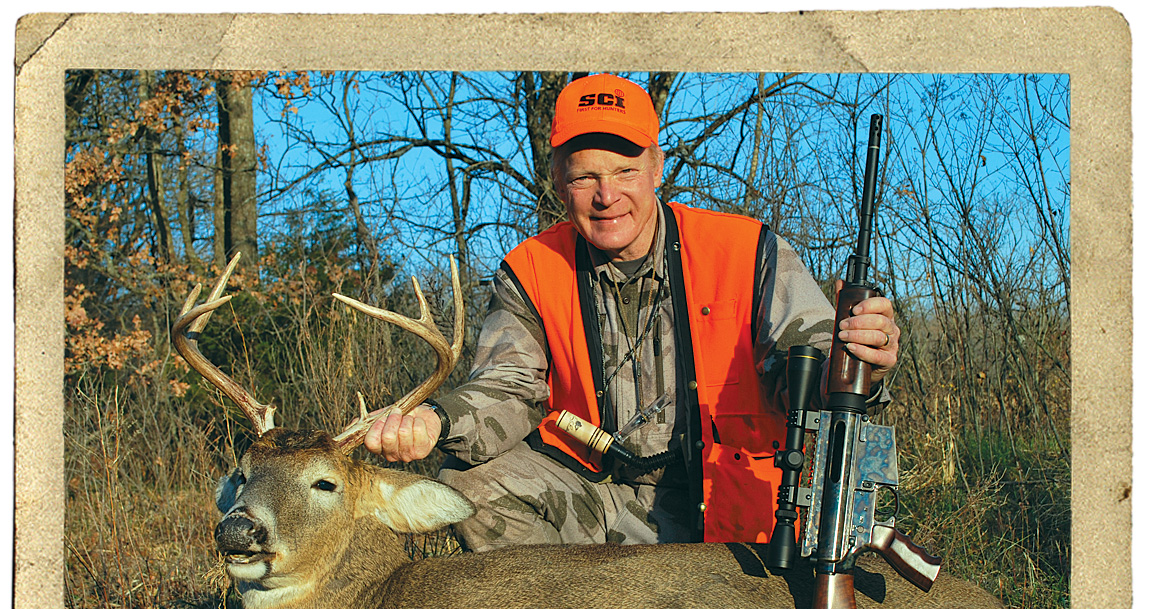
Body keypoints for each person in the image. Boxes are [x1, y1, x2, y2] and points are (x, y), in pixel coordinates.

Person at [364, 74, 900, 552]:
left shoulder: (745, 251)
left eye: (625, 171)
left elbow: (807, 365)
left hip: (727, 508)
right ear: (558, 180)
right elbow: (509, 388)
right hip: (598, 497)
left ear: (657, 167)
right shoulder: (532, 271)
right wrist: (435, 420)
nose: (607, 196)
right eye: (584, 177)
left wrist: (860, 360)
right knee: (467, 483)